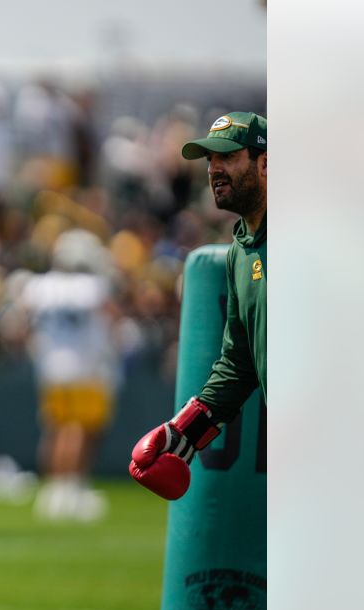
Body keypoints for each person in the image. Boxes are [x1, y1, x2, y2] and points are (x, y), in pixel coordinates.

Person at [129, 112, 266, 499]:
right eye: (209, 161)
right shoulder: (243, 249)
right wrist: (182, 433)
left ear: (266, 162)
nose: (214, 169)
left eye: (228, 157)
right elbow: (239, 363)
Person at [21, 229, 119, 521]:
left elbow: (26, 321)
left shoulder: (41, 285)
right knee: (79, 428)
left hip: (50, 365)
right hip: (85, 365)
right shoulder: (93, 286)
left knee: (55, 428)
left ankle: (54, 489)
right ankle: (71, 488)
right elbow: (113, 318)